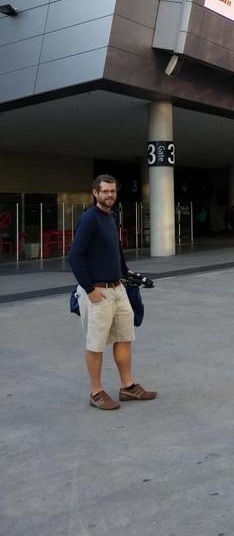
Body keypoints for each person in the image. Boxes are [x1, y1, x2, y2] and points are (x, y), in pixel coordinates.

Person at [68, 175, 156, 410]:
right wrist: (89, 290)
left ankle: (128, 387)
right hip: (98, 292)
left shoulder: (111, 217)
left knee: (124, 337)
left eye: (113, 191)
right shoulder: (89, 219)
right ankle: (96, 392)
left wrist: (126, 275)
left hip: (118, 289)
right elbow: (74, 257)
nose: (109, 195)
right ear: (95, 193)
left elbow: (116, 251)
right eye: (105, 191)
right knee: (95, 343)